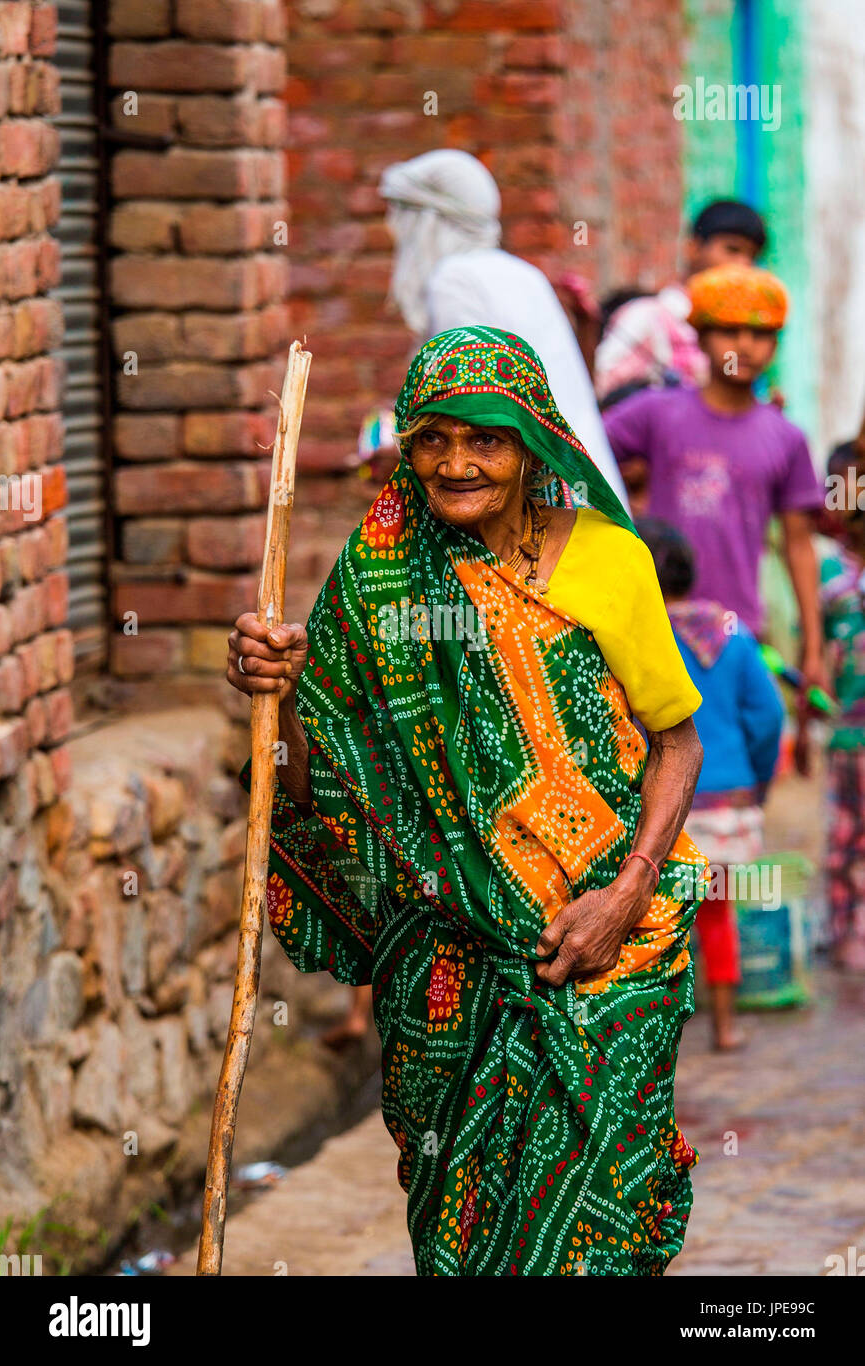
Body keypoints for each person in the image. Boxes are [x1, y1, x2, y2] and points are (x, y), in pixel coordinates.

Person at [226, 326, 710, 1277]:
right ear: (407, 447)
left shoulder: (610, 560)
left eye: (485, 438)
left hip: (611, 947)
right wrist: (272, 699)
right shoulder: (376, 582)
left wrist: (624, 894)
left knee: (605, 1193)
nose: (457, 463)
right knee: (467, 1220)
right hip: (446, 968)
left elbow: (677, 742)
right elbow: (319, 783)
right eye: (433, 439)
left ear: (534, 444)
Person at [604, 262, 827, 696]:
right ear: (701, 337)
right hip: (654, 623)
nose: (745, 345)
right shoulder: (656, 412)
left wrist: (813, 648)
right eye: (729, 330)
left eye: (760, 334)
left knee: (729, 751)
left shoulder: (786, 437)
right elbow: (576, 449)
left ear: (776, 344)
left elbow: (799, 546)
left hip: (737, 635)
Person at [378, 148, 629, 507]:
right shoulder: (522, 274)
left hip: (543, 511)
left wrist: (403, 452)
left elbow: (466, 412)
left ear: (427, 221)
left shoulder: (454, 281)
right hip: (585, 494)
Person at [638, 519, 784, 1049]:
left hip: (660, 807)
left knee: (656, 923)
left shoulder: (637, 636)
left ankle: (658, 1037)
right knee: (718, 918)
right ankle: (724, 1028)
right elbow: (767, 717)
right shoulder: (734, 633)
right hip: (727, 803)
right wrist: (758, 780)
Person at [594, 198, 767, 404]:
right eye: (732, 250)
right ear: (693, 248)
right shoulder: (648, 317)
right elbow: (598, 394)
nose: (743, 265)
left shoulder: (742, 331)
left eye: (752, 257)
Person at [819, 438, 865, 973]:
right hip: (848, 733)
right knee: (847, 838)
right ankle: (844, 927)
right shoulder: (829, 575)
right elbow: (816, 654)